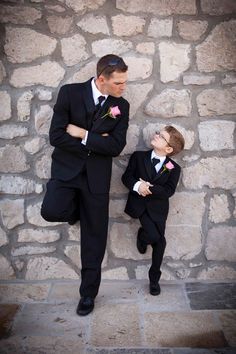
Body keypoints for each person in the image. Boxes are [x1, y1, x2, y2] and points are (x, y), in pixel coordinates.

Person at [41, 54, 129, 315]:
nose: (123, 88)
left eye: (125, 82)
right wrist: (94, 143)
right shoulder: (70, 93)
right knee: (51, 211)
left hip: (97, 179)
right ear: (101, 79)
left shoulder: (120, 106)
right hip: (66, 172)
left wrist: (82, 134)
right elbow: (56, 136)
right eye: (118, 83)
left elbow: (115, 146)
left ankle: (88, 295)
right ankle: (74, 211)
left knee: (94, 237)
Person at [122, 126, 185, 295]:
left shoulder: (174, 168)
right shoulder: (138, 157)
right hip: (139, 206)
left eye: (161, 136)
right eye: (158, 133)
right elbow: (126, 177)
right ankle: (145, 239)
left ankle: (153, 278)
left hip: (158, 210)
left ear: (169, 149)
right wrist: (138, 185)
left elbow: (168, 191)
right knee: (159, 239)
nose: (156, 135)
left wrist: (149, 187)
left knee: (158, 241)